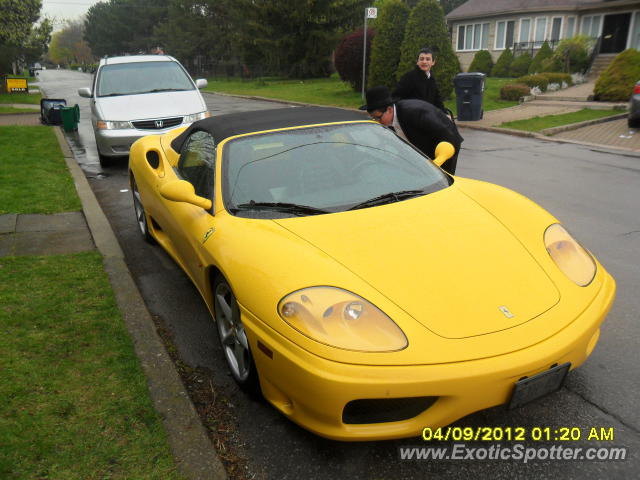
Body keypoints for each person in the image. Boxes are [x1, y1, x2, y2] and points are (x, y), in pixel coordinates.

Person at [360, 85, 462, 175]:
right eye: (373, 118)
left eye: (378, 117)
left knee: (442, 183)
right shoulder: (389, 121)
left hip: (446, 147)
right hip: (423, 155)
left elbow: (447, 133)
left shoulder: (415, 113)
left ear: (389, 110)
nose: (377, 122)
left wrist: (439, 160)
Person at [393, 47, 445, 113]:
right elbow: (396, 97)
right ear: (417, 62)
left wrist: (444, 114)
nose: (424, 62)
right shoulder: (409, 77)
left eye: (428, 59)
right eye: (421, 59)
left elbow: (437, 100)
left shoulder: (431, 79)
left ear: (433, 62)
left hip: (428, 115)